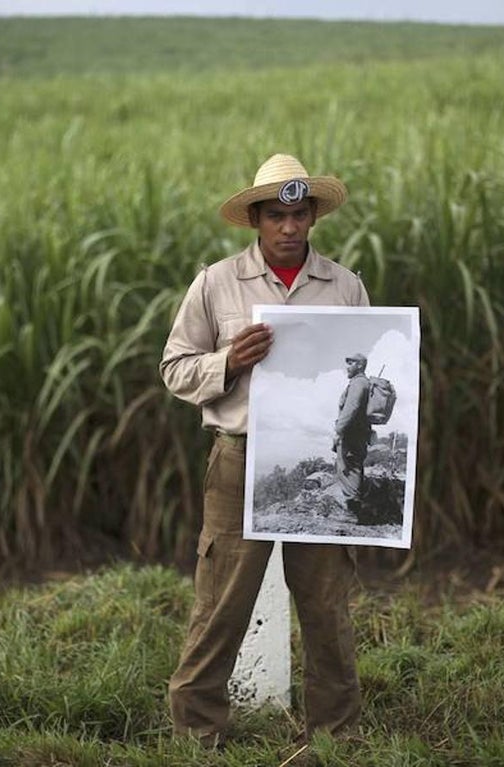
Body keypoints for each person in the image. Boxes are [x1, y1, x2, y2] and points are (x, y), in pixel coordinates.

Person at [160, 153, 367, 746]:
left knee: (326, 603)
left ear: (313, 217)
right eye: (276, 215)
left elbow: (372, 367)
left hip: (320, 459)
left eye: (298, 214)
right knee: (222, 601)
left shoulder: (345, 287)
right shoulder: (216, 283)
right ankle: (197, 731)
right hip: (241, 458)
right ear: (255, 218)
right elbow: (174, 368)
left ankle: (336, 733)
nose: (288, 228)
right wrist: (229, 362)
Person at [334, 353, 372, 516]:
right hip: (357, 434)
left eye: (351, 363)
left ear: (360, 366)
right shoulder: (361, 383)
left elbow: (351, 408)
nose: (347, 367)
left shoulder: (358, 383)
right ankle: (356, 510)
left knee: (349, 469)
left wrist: (339, 430)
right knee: (352, 468)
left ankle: (353, 514)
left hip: (351, 435)